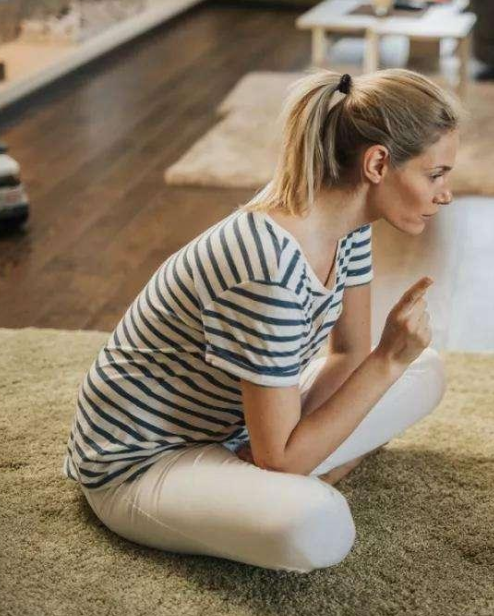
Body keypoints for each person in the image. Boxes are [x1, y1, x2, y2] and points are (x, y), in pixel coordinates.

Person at [62, 68, 462, 573]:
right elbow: (285, 455)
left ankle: (271, 480)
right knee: (320, 526)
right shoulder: (268, 265)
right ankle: (292, 483)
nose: (445, 193)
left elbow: (348, 354)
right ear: (378, 163)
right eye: (436, 174)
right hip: (142, 461)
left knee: (426, 370)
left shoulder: (347, 225)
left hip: (237, 431)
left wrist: (383, 365)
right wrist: (387, 362)